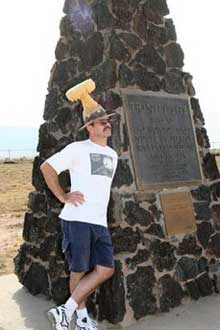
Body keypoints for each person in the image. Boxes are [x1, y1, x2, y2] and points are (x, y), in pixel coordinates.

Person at [40, 79, 118, 330]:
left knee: (106, 269)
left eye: (108, 120)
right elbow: (47, 168)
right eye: (102, 122)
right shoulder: (78, 148)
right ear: (90, 127)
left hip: (99, 221)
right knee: (79, 271)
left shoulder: (113, 155)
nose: (107, 124)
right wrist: (63, 196)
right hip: (77, 220)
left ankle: (66, 311)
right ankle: (82, 319)